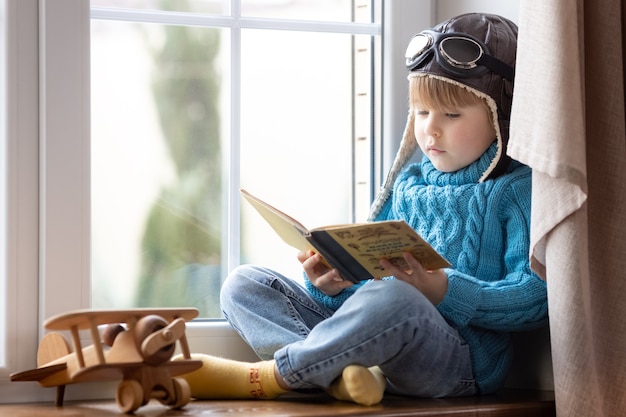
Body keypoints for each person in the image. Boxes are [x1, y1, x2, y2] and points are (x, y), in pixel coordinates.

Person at [177, 13, 548, 406]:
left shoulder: (515, 190)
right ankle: (336, 376)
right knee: (245, 284)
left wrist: (445, 291)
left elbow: (535, 300)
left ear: (499, 116)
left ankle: (274, 376)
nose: (431, 129)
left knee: (397, 300)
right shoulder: (408, 182)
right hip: (379, 343)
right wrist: (335, 284)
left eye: (451, 115)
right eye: (421, 113)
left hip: (458, 360)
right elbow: (370, 286)